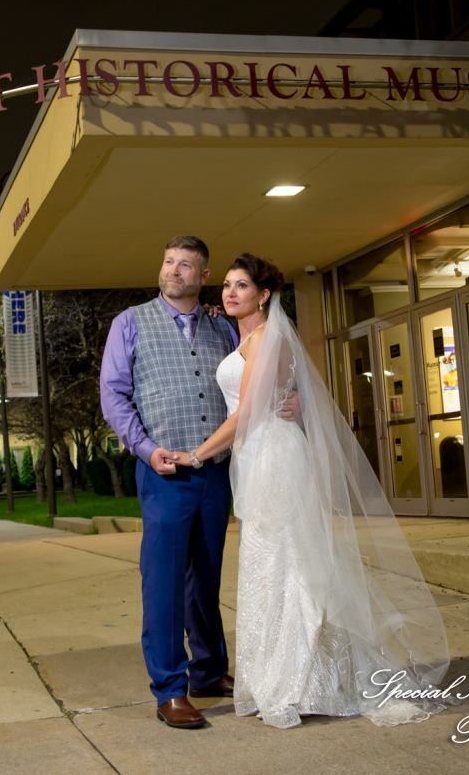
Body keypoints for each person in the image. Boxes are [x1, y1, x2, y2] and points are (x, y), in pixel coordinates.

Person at [169, 253, 450, 729]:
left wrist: (196, 455)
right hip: (254, 459)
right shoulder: (248, 336)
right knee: (268, 566)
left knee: (291, 563)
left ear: (265, 296)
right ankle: (276, 678)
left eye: (242, 286)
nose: (231, 292)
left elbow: (248, 412)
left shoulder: (269, 339)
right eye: (228, 285)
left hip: (275, 458)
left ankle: (301, 681)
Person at [99, 236, 238, 730]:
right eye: (168, 261)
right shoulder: (130, 322)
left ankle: (208, 669)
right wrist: (142, 447)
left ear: (204, 277)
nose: (174, 270)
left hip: (215, 473)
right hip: (164, 474)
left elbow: (249, 383)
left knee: (206, 578)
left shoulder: (224, 327)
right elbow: (114, 395)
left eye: (186, 265)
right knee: (163, 583)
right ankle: (170, 688)